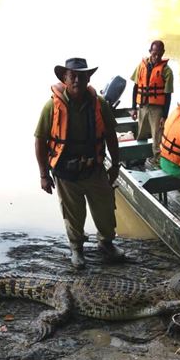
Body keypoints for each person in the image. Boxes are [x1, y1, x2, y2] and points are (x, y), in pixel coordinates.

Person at [34, 57, 125, 269]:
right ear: (64, 79)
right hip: (66, 173)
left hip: (95, 169)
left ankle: (106, 243)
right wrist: (43, 175)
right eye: (72, 76)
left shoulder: (99, 104)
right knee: (73, 215)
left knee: (105, 209)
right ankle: (77, 248)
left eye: (82, 76)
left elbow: (111, 135)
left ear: (88, 79)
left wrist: (115, 165)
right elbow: (40, 141)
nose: (77, 80)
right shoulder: (51, 106)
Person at [130, 40, 174, 165]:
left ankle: (158, 160)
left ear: (163, 53)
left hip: (157, 108)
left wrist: (164, 116)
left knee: (157, 135)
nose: (157, 57)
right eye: (154, 54)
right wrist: (133, 108)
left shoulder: (167, 71)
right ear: (150, 51)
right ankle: (140, 157)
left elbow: (168, 95)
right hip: (143, 106)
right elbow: (135, 87)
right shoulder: (141, 66)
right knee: (141, 133)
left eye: (159, 54)